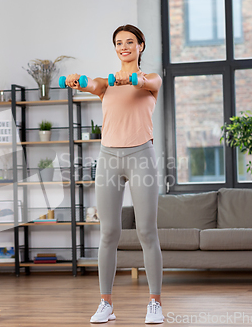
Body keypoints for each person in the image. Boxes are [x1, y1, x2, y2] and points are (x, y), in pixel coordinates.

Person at [65, 24, 164, 324]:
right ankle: (105, 303)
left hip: (140, 156)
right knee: (108, 232)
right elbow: (91, 84)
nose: (124, 47)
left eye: (130, 42)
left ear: (141, 46)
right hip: (108, 158)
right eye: (119, 43)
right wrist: (78, 80)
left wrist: (133, 77)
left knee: (147, 231)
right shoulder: (106, 83)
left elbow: (146, 82)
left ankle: (155, 303)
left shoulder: (152, 79)